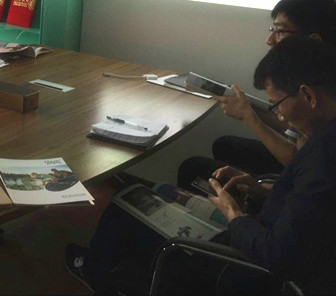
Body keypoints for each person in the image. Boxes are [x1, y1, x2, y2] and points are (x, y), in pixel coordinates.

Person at [66, 36, 336, 294]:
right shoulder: (323, 140)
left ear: (308, 96)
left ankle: (97, 273)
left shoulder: (322, 158)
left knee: (124, 205)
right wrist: (260, 189)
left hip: (242, 269)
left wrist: (234, 215)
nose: (279, 116)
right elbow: (310, 208)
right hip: (263, 234)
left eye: (276, 105)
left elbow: (276, 255)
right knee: (154, 192)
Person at [178, 0, 336, 187]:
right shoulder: (314, 71)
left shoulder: (320, 88)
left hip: (303, 174)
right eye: (272, 29)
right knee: (225, 145)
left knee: (192, 168)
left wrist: (249, 117)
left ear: (313, 39)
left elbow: (302, 160)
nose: (270, 40)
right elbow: (295, 130)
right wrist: (248, 108)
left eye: (280, 31)